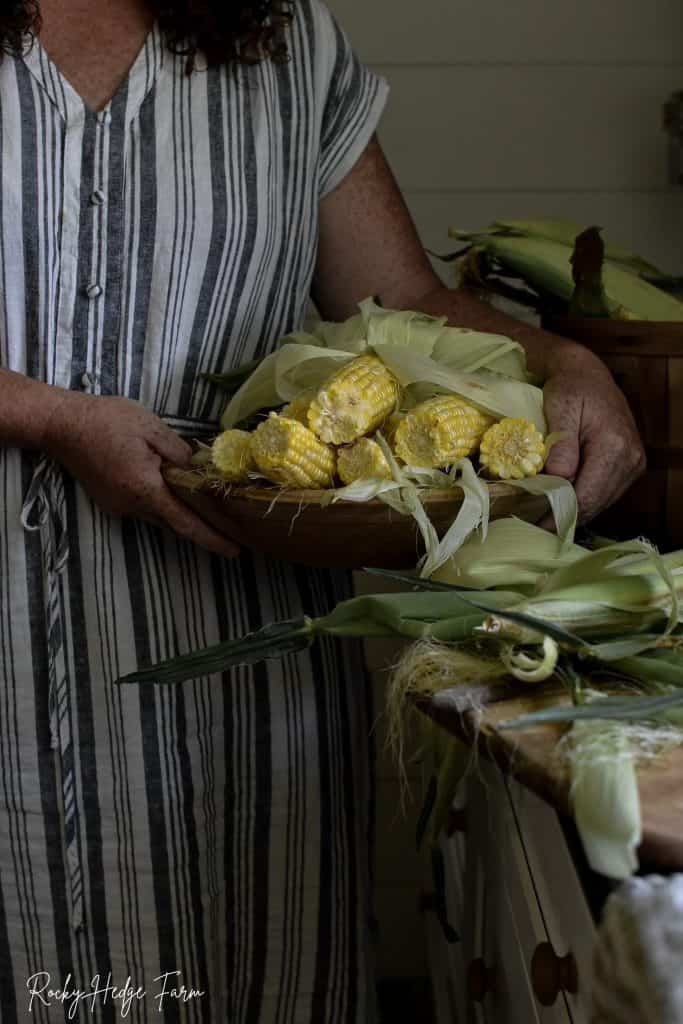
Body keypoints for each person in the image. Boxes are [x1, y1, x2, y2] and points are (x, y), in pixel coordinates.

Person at [0, 0, 643, 1020]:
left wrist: (569, 366)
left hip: (238, 669)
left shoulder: (284, 39)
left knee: (254, 967)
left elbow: (391, 297)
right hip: (12, 656)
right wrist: (45, 414)